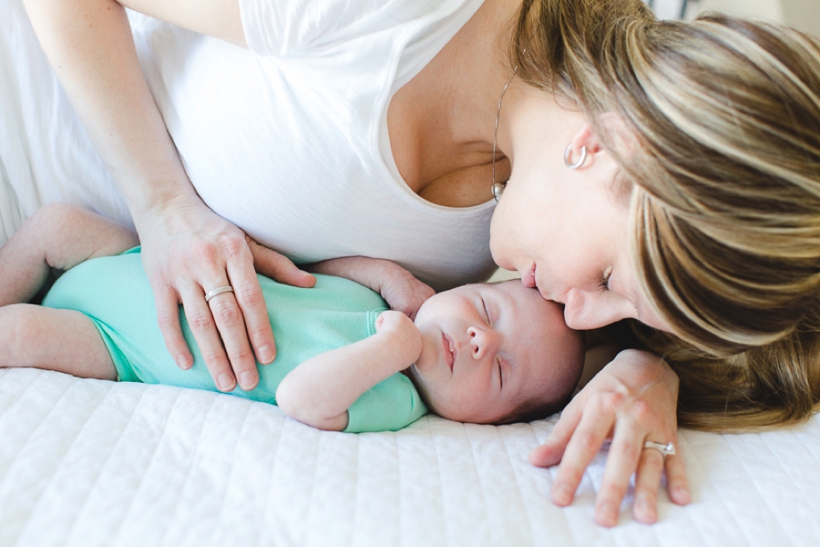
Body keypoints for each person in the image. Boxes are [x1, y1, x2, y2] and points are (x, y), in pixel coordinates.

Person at [7, 0, 820, 527]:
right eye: (607, 284)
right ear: (609, 144)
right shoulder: (385, 15)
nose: (580, 313)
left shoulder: (538, 195)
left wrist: (644, 366)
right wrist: (163, 204)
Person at [0, 203, 585, 432]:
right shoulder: (388, 302)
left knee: (21, 333)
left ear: (490, 422)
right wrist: (382, 274)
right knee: (56, 226)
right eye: (486, 309)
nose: (481, 340)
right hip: (147, 264)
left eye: (502, 370)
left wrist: (393, 352)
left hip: (130, 344)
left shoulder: (396, 401)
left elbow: (303, 398)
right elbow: (309, 271)